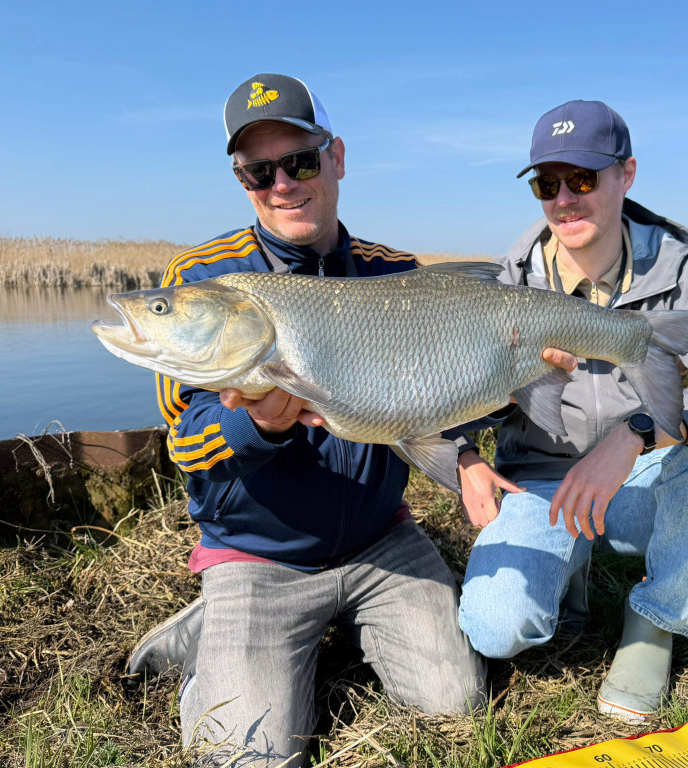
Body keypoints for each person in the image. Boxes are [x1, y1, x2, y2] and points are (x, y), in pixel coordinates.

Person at [124, 73, 536, 768]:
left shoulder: (393, 273)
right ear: (243, 181)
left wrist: (469, 447)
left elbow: (434, 396)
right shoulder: (201, 282)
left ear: (336, 158)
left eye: (301, 161)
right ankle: (218, 630)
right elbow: (187, 446)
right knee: (246, 755)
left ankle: (293, 629)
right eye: (259, 170)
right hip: (259, 558)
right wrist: (260, 427)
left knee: (457, 703)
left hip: (380, 541)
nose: (282, 182)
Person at [455, 99, 688, 721]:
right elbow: (429, 394)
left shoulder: (677, 269)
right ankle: (569, 563)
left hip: (638, 480)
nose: (564, 199)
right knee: (494, 630)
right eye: (546, 184)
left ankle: (655, 621)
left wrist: (639, 432)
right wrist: (464, 454)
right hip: (541, 486)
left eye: (582, 179)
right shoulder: (504, 285)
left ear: (626, 174)